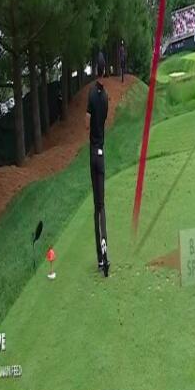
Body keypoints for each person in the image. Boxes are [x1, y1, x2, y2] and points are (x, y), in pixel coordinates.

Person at [82, 64, 111, 277]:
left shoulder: (91, 94)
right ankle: (105, 250)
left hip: (93, 154)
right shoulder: (106, 97)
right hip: (102, 154)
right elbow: (102, 120)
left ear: (95, 72)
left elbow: (86, 123)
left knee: (96, 207)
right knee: (103, 207)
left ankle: (100, 260)